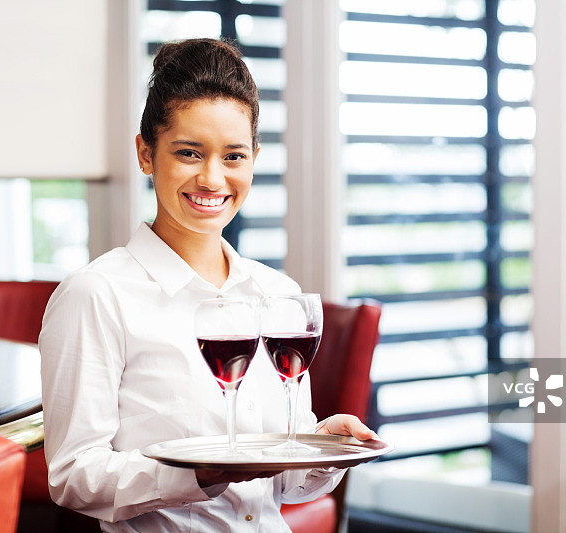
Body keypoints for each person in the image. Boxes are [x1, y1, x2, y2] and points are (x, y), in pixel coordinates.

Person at [39, 38, 377, 532]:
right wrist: (196, 474)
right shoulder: (96, 294)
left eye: (234, 156)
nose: (212, 179)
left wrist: (322, 447)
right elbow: (72, 476)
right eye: (190, 153)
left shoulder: (276, 292)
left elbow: (284, 483)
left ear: (254, 159)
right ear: (146, 153)